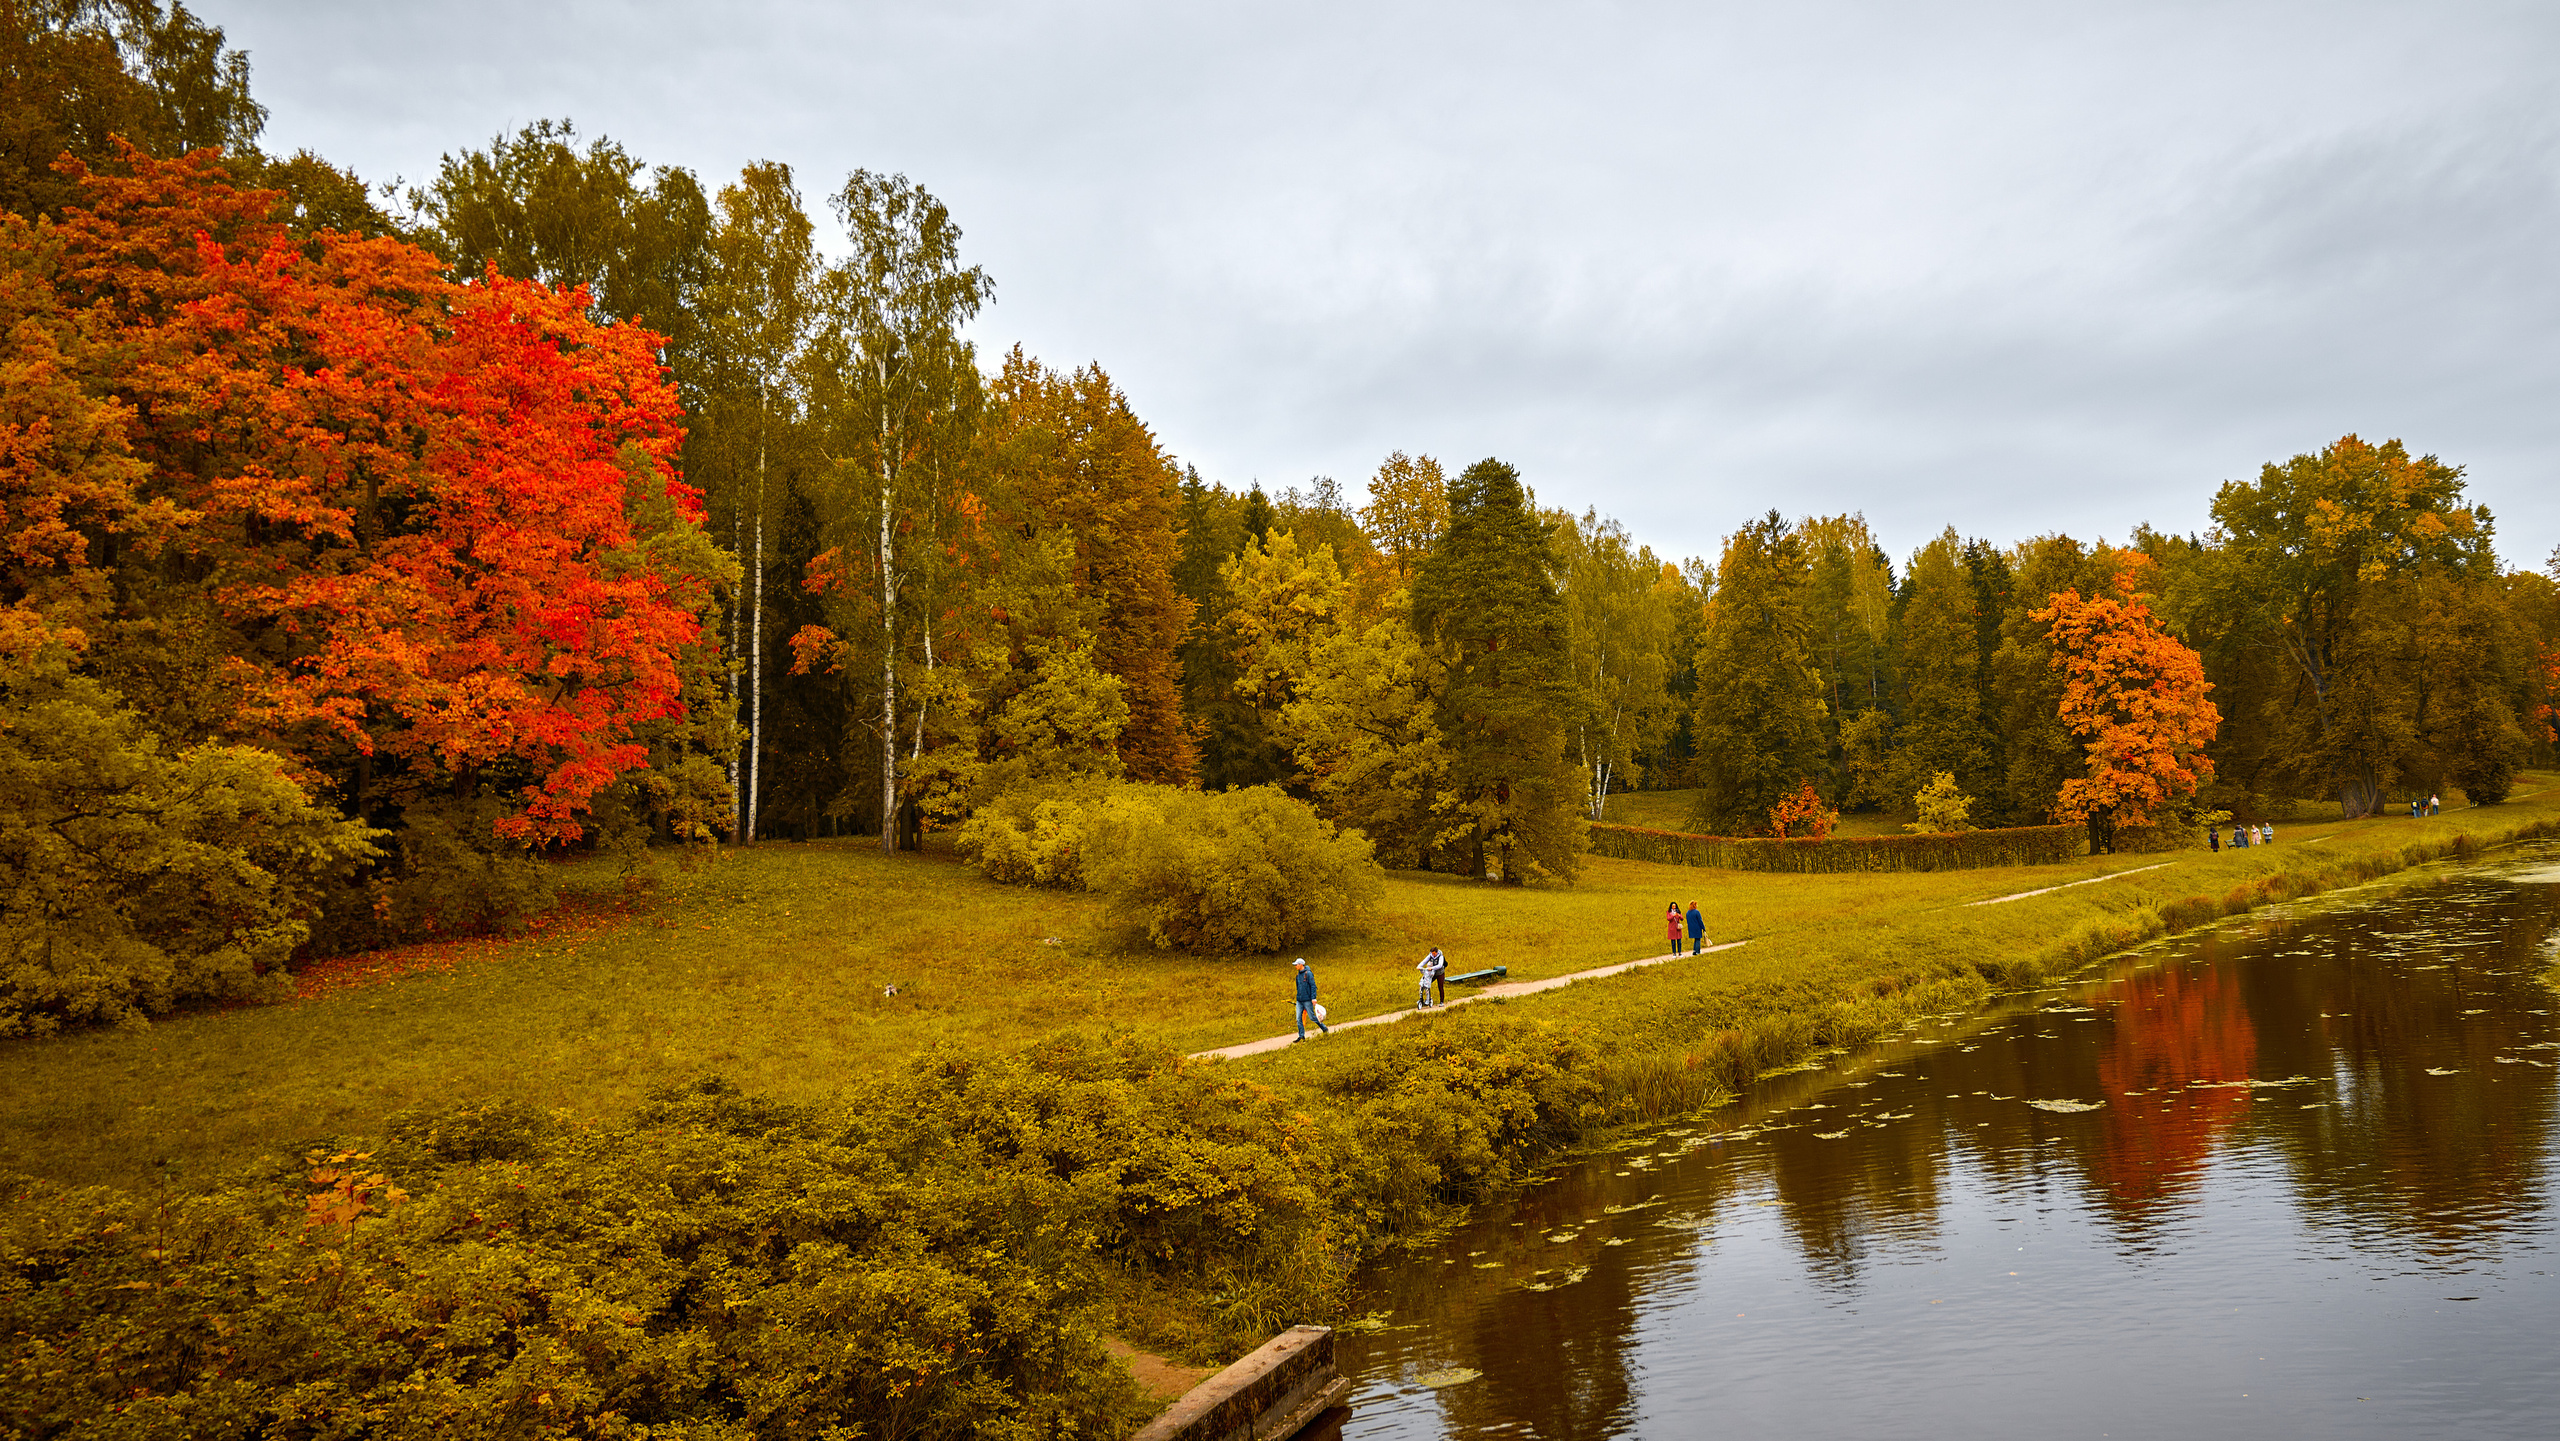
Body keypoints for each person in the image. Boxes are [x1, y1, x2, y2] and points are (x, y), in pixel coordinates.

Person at [1293, 958, 1329, 1041]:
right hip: (1299, 1000)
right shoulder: (1298, 976)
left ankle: (1324, 1028)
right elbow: (1298, 987)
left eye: (1296, 964)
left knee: (1312, 1017)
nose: (1295, 966)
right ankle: (1301, 1036)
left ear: (1301, 964)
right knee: (1298, 1019)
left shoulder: (1308, 974)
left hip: (1307, 1000)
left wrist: (1313, 998)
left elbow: (1313, 986)